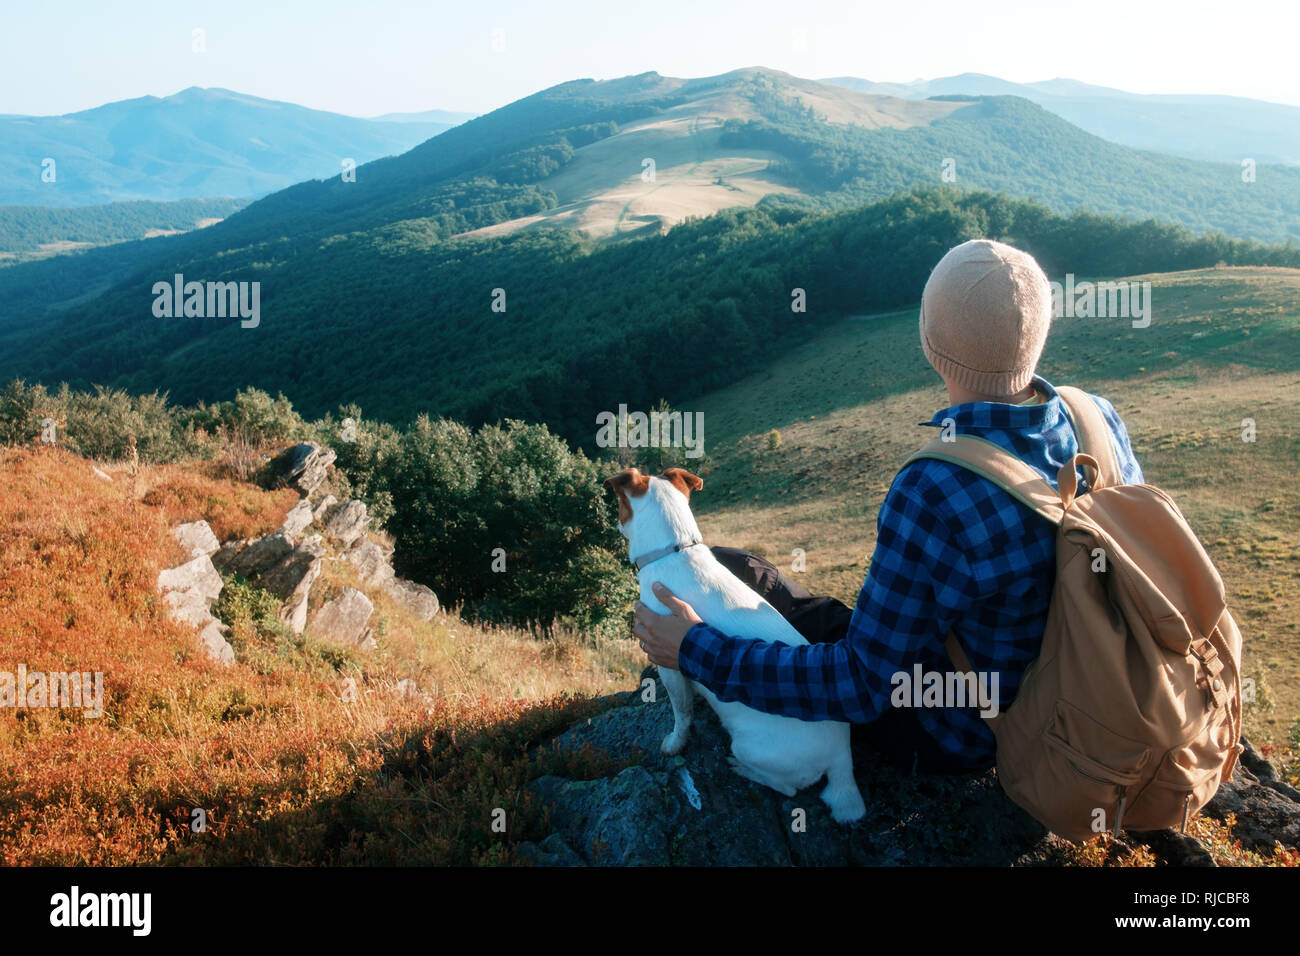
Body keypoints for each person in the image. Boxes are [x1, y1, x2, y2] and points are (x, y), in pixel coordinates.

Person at [632, 238, 1144, 774]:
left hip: (962, 733)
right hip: (1075, 691)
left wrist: (696, 649)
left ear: (930, 339)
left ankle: (688, 645)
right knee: (743, 570)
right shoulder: (1096, 418)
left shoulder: (936, 487)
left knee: (738, 572)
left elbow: (862, 687)